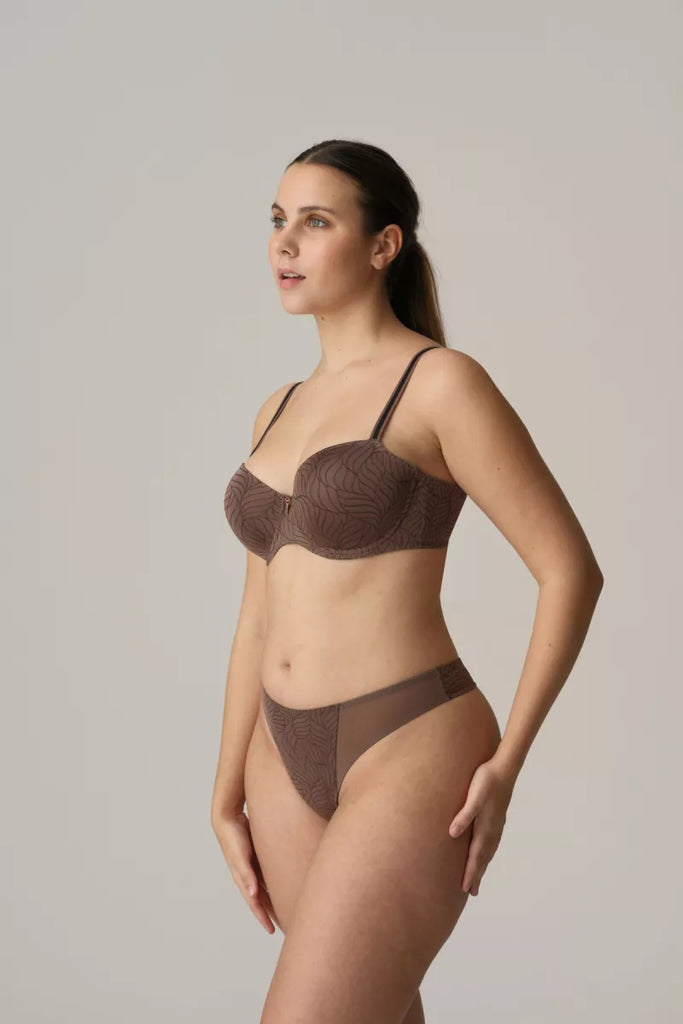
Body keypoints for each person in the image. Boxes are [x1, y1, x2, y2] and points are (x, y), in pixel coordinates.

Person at [212, 139, 604, 1023]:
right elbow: (254, 616)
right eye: (277, 220)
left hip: (407, 743)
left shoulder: (439, 384)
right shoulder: (276, 407)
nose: (285, 243)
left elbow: (568, 571)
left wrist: (507, 764)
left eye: (316, 222)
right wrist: (224, 784)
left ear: (382, 245)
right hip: (279, 759)